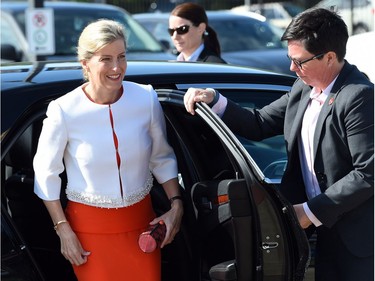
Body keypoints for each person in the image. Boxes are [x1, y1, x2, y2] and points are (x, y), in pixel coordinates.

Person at [184, 7, 373, 281]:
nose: (292, 69)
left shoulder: (359, 97)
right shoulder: (303, 88)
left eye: (300, 62)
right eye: (290, 59)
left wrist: (309, 212)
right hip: (315, 235)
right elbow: (258, 123)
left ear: (330, 57)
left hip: (356, 241)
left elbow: (367, 173)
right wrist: (214, 98)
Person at [33, 19, 183, 281]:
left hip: (143, 230)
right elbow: (46, 173)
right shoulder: (64, 109)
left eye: (122, 57)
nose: (117, 67)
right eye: (106, 59)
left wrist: (176, 206)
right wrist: (63, 230)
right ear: (85, 63)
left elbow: (161, 158)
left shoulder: (145, 98)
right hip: (88, 235)